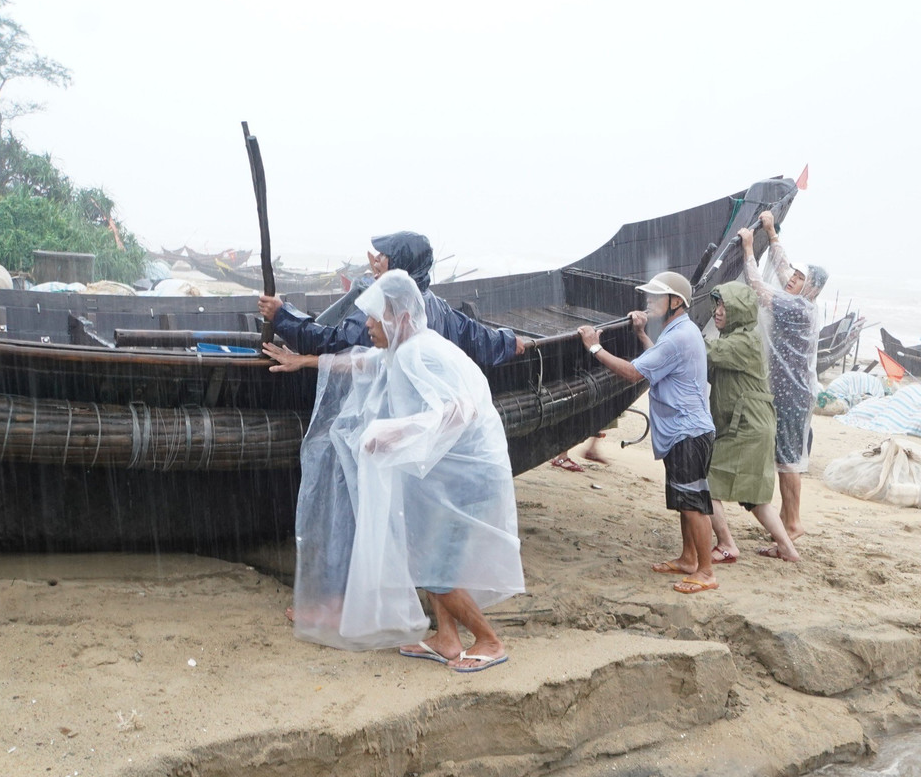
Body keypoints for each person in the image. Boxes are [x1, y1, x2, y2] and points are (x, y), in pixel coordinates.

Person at [265, 269, 524, 672]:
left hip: (469, 478)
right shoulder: (401, 350)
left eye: (374, 316)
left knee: (438, 567)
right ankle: (447, 639)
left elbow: (461, 409)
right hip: (450, 475)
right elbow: (364, 364)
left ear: (400, 317)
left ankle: (490, 640)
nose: (367, 324)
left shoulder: (419, 351)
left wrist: (393, 431)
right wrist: (306, 361)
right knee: (426, 553)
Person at [576, 271, 718, 594]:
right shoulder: (679, 331)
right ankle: (688, 559)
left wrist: (594, 348)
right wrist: (641, 334)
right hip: (686, 431)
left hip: (688, 432)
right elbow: (659, 360)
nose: (650, 302)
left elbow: (632, 372)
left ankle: (706, 572)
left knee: (693, 502)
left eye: (657, 297)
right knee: (685, 500)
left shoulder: (680, 335)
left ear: (676, 302)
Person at [258, 231, 527, 366]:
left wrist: (282, 315)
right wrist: (509, 341)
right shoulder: (433, 304)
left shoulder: (387, 310)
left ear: (399, 265)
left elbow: (333, 344)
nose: (376, 260)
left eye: (383, 257)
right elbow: (474, 335)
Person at [740, 210, 829, 541]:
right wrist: (772, 234)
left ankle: (792, 522)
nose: (791, 279)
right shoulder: (798, 297)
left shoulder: (797, 308)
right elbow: (782, 270)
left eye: (799, 279)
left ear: (811, 290)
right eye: (794, 276)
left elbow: (759, 288)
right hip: (789, 390)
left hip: (793, 393)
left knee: (789, 458)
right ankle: (788, 517)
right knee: (784, 456)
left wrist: (749, 248)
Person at [700, 281, 801, 564]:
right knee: (755, 496)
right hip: (752, 425)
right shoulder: (740, 338)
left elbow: (705, 353)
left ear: (739, 310)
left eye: (724, 306)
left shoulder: (743, 342)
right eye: (717, 305)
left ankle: (727, 544)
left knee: (705, 483)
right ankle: (787, 549)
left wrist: (679, 330)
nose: (718, 312)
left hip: (747, 427)